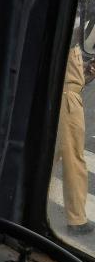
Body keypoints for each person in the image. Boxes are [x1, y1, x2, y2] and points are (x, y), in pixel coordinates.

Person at [56, 41, 93, 234]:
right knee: (74, 159)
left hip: (68, 97)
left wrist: (87, 71)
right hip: (67, 100)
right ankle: (76, 219)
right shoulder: (70, 26)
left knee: (51, 158)